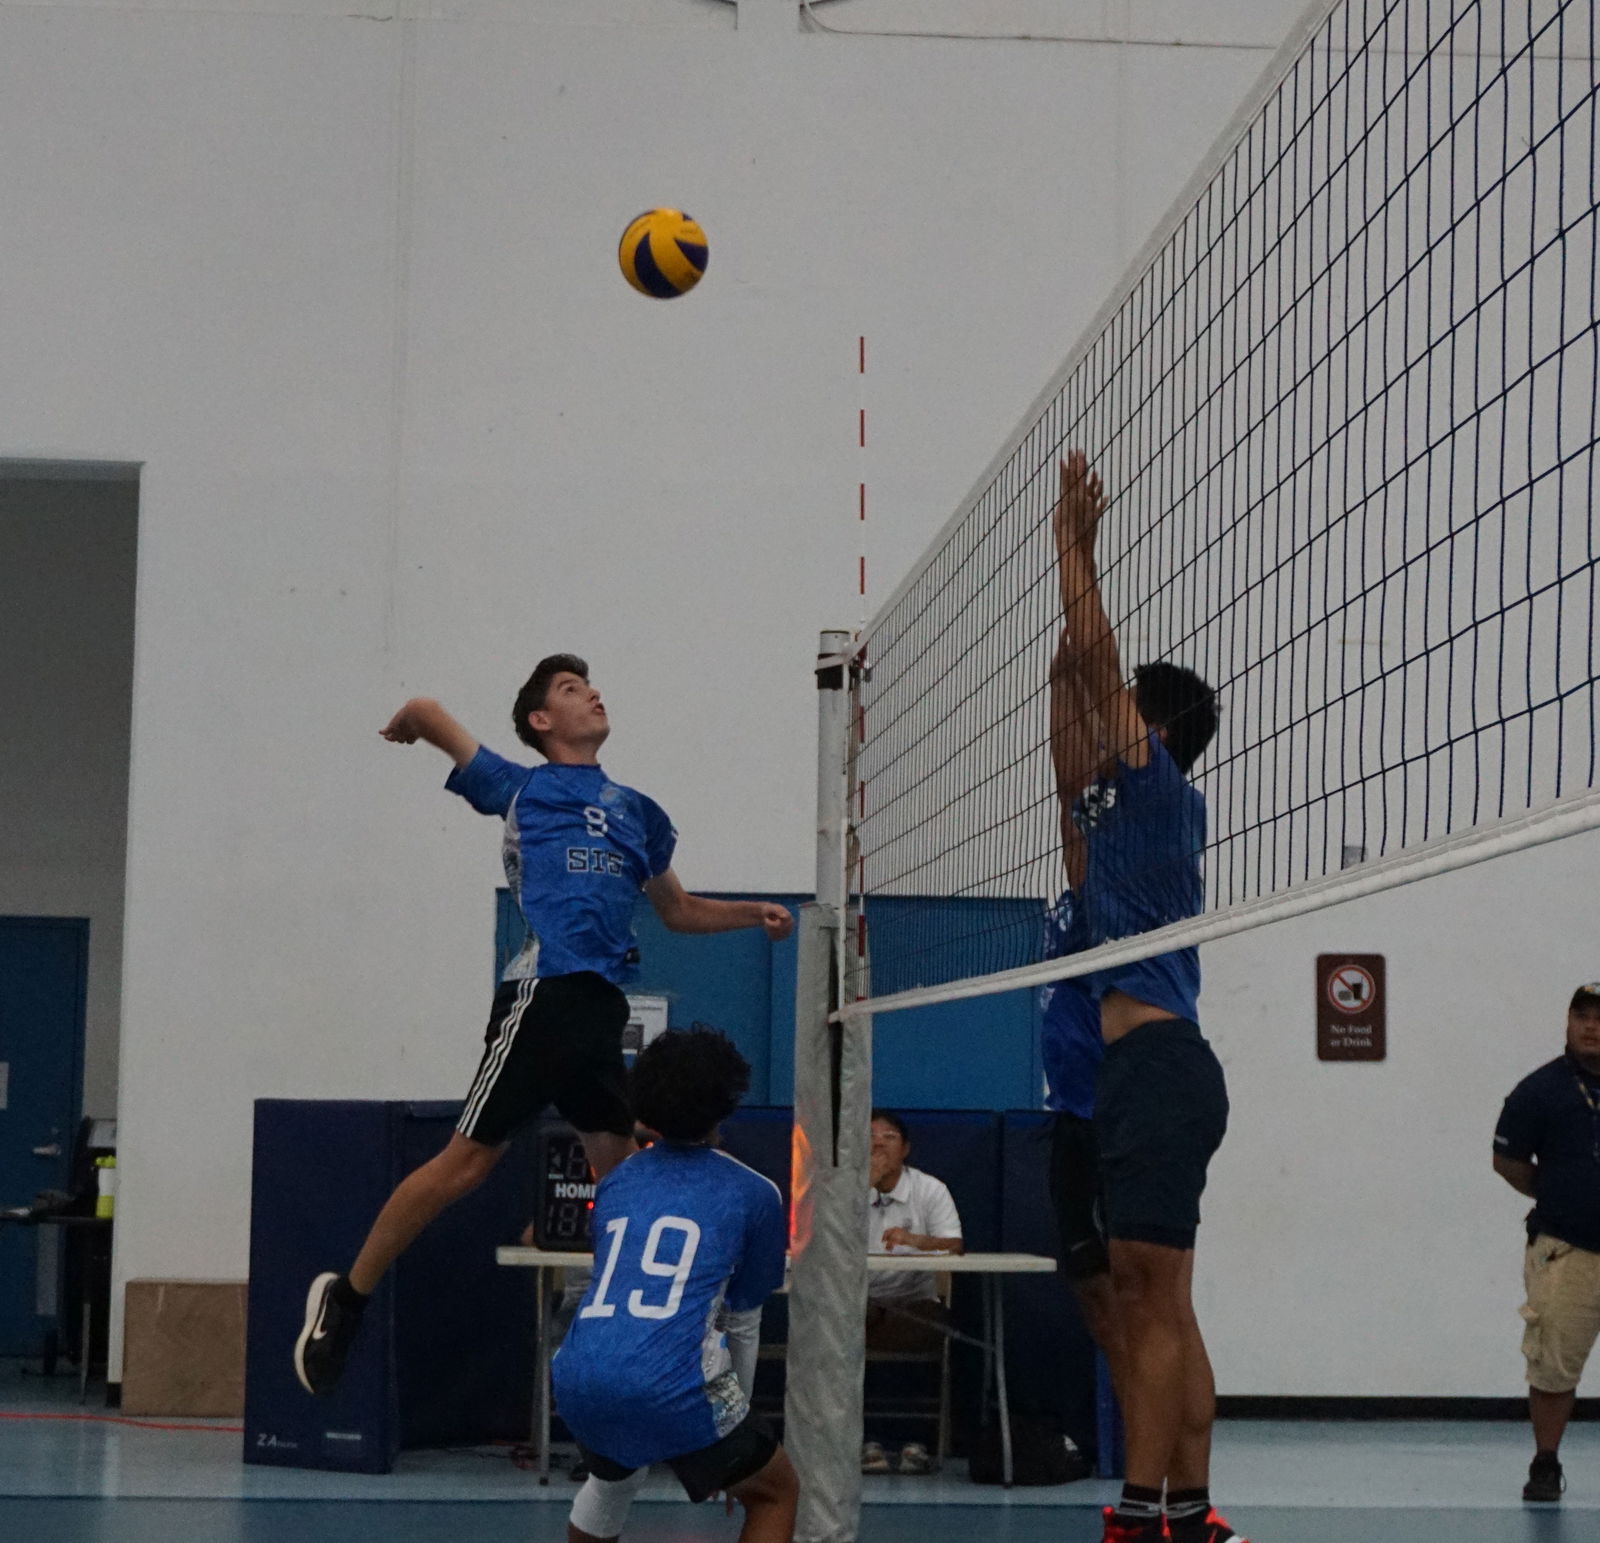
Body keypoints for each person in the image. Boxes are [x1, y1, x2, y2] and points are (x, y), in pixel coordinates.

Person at [293, 655, 793, 1397]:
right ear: (540, 721)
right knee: (468, 1165)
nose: (591, 692)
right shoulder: (523, 789)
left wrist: (753, 913)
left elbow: (678, 910)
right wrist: (408, 724)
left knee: (624, 1184)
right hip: (544, 995)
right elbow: (431, 710)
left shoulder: (637, 810)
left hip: (600, 1010)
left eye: (590, 684)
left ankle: (642, 1349)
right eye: (569, 689)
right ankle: (348, 1296)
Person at [1048, 452, 1239, 1543]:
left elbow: (1102, 669)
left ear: (1154, 734)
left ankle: (1147, 1513)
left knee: (1151, 1293)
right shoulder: (1107, 823)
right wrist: (1063, 646)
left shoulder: (1162, 796)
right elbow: (1071, 713)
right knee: (1141, 1294)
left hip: (1166, 1067)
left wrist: (1074, 549)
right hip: (1129, 1072)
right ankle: (1181, 1511)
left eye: (1125, 712)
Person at [554, 1027, 797, 1543]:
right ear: (728, 1102)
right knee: (775, 1490)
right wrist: (737, 1427)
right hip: (671, 1384)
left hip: (578, 1374)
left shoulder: (617, 1181)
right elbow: (745, 1322)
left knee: (612, 1480)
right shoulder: (755, 1192)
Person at [1493, 981, 1600, 1505]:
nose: (1591, 1026)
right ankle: (1545, 1462)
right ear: (1567, 1022)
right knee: (1553, 1364)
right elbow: (1508, 1163)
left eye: (1599, 1018)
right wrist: (1558, 1192)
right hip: (1567, 1250)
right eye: (1582, 1016)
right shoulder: (1539, 1091)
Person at [861, 1109, 964, 1476]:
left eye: (888, 1136)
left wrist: (915, 1241)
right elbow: (819, 1241)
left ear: (905, 1148)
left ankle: (914, 1442)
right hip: (858, 1304)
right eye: (870, 1135)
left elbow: (954, 1246)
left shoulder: (929, 1189)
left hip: (913, 1304)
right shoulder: (843, 1187)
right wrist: (864, 1187)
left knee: (926, 1327)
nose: (878, 1142)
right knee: (838, 1326)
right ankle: (861, 1441)